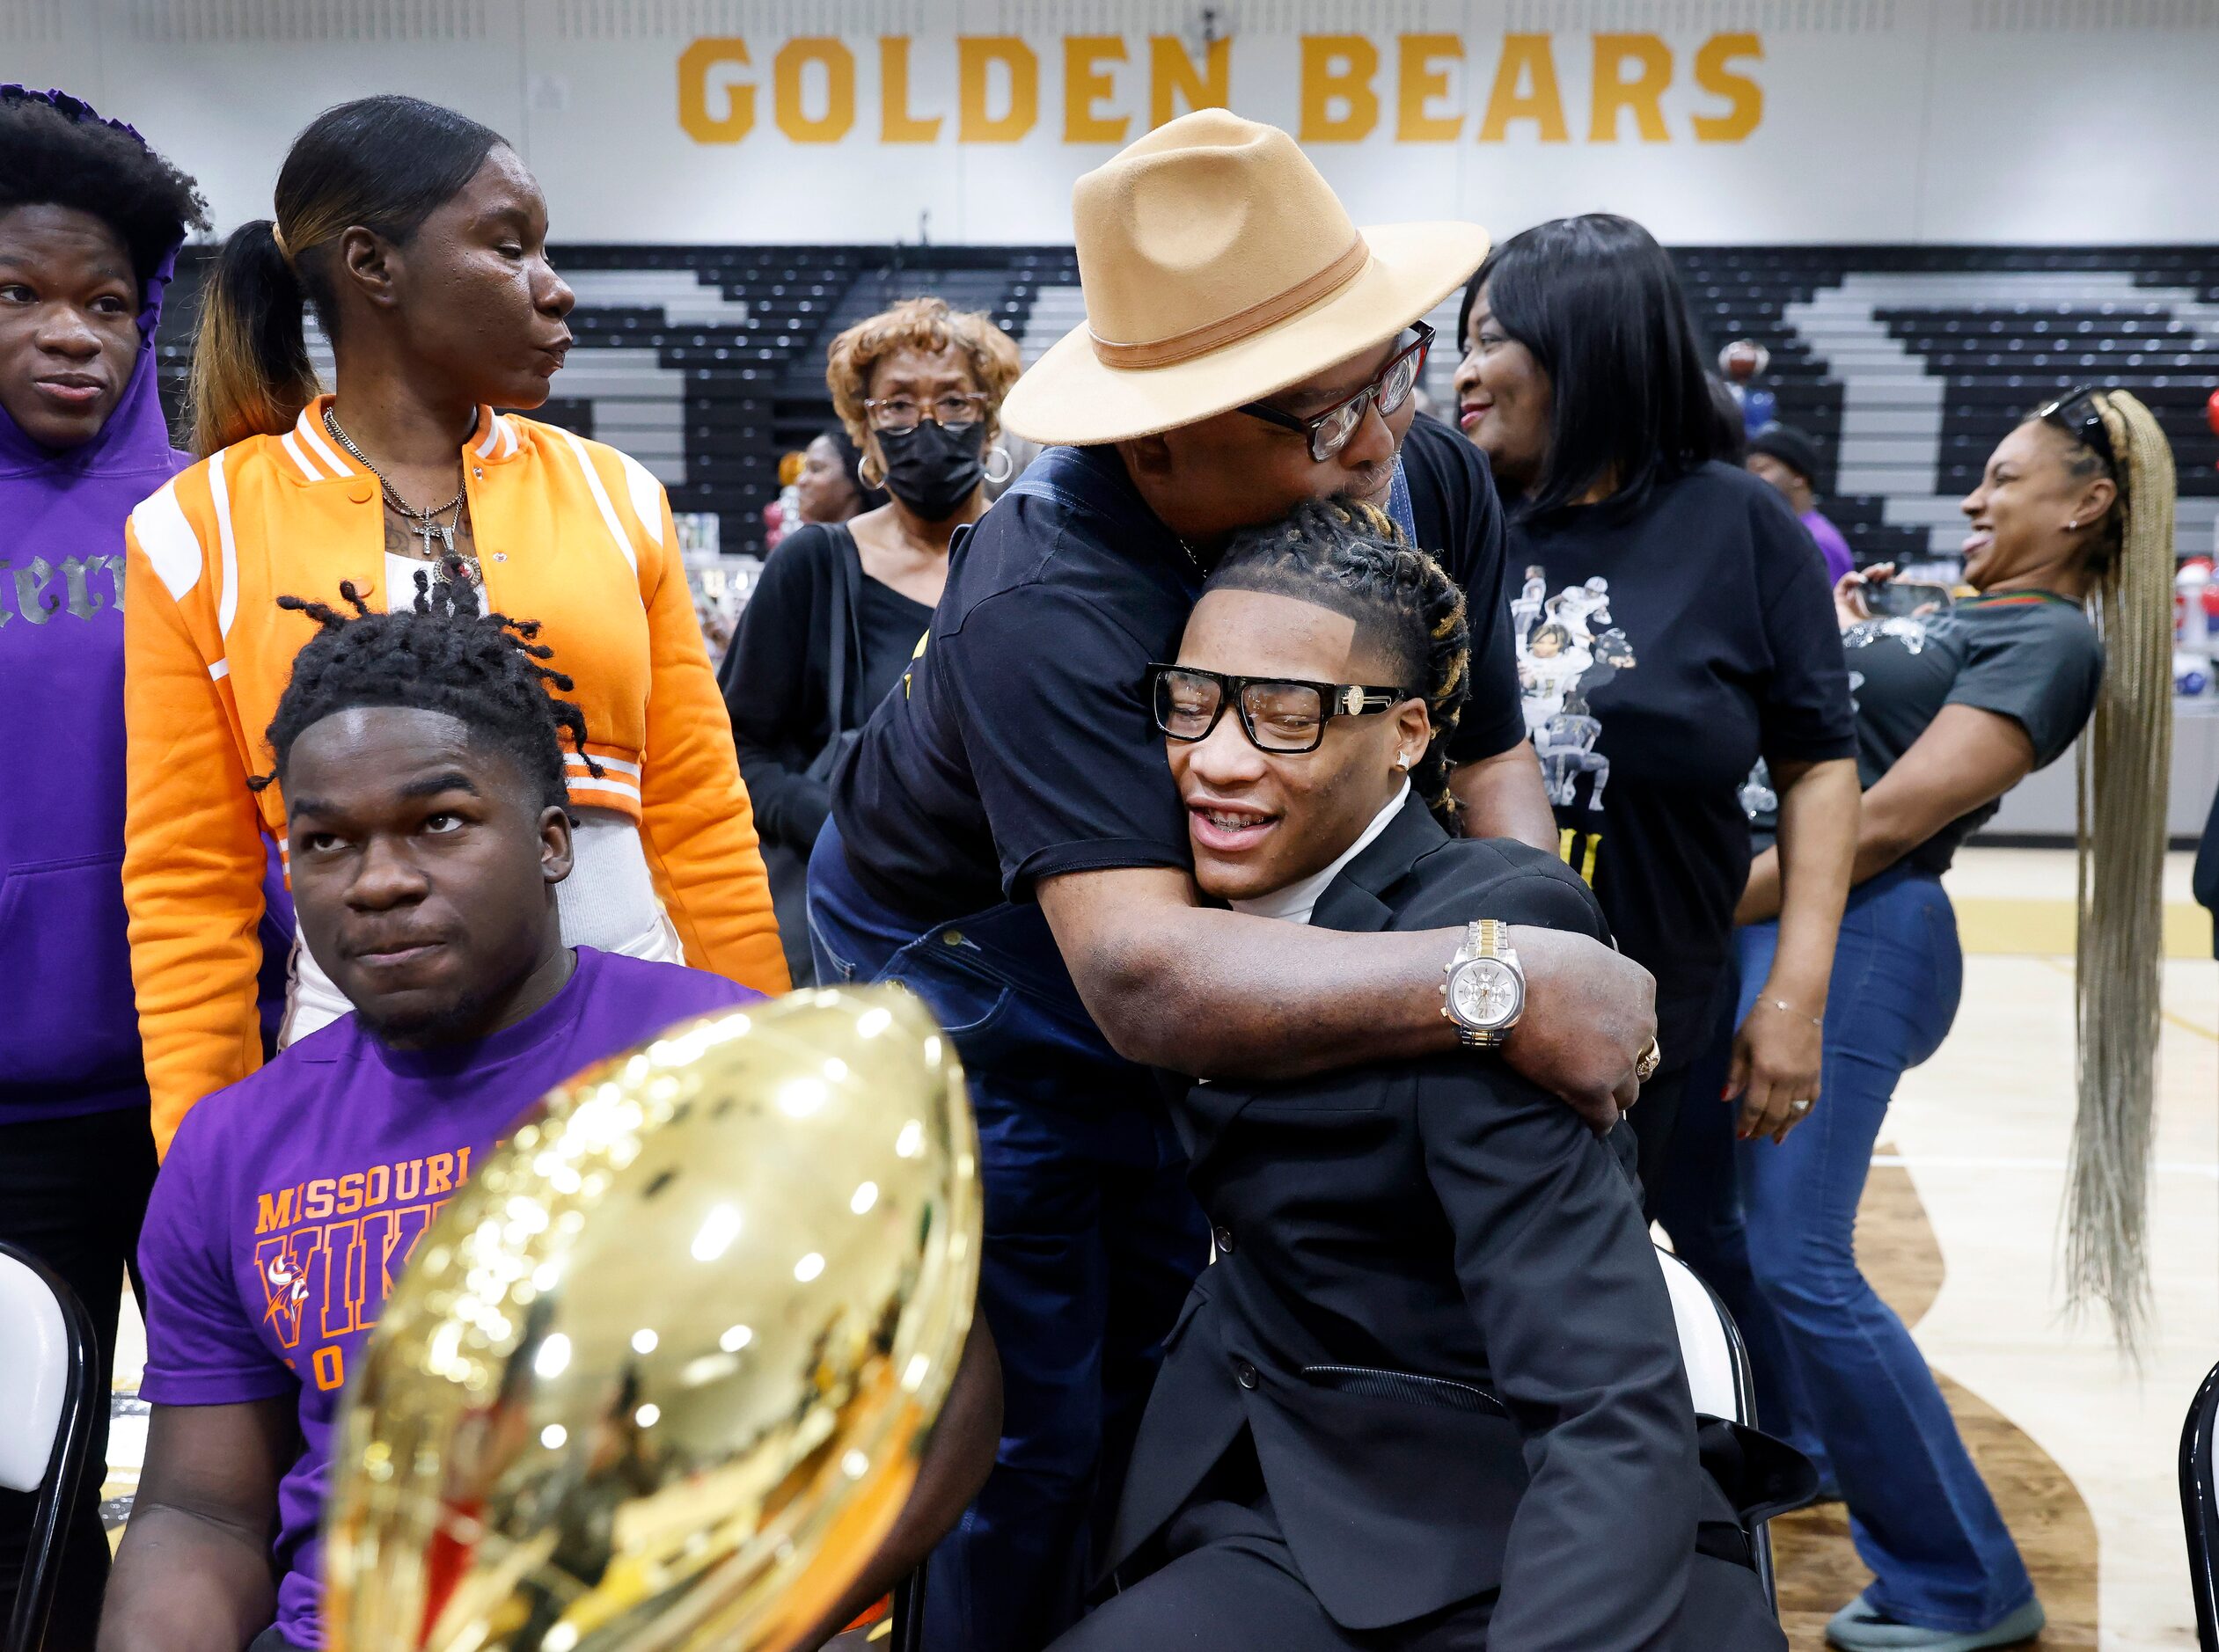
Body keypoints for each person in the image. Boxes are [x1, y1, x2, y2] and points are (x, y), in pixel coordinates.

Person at [810, 111, 1658, 1652]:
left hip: (1222, 947)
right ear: (1159, 439)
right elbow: (1143, 979)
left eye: (1386, 376)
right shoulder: (1047, 601)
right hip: (994, 986)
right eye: (1325, 420)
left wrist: (1539, 929)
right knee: (1031, 1429)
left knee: (1183, 1362)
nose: (1379, 445)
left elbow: (1487, 758)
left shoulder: (1407, 467)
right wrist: (1503, 983)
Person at [96, 591, 997, 1652]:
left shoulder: (733, 1070)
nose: (379, 882)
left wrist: (737, 1624)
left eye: (438, 823)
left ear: (553, 841)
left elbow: (943, 1398)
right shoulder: (232, 1148)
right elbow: (202, 1512)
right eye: (326, 841)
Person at [1051, 499, 1792, 1652]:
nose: (1214, 760)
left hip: (1480, 1501)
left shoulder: (1497, 941)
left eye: (1285, 716)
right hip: (1262, 1460)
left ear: (1404, 732)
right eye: (1189, 703)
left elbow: (1599, 1391)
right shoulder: (1158, 906)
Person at [121, 94, 785, 1156]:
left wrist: (767, 1067)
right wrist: (201, 1159)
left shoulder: (618, 495)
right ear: (371, 265)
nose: (554, 288)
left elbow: (702, 820)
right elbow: (189, 885)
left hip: (647, 1041)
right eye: (509, 247)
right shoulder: (195, 527)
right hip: (361, 1062)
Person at [1686, 388, 2176, 1652]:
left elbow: (1889, 820)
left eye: (2006, 478)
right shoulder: (1947, 611)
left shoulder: (2049, 642)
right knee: (1723, 1221)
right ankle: (1800, 1441)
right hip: (1770, 917)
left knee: (1800, 1255)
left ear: (2086, 503)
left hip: (1858, 932)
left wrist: (1672, 903)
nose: (1974, 495)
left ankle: (1962, 1577)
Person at [1453, 214, 1861, 1206]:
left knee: (1651, 1290)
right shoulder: (1452, 511)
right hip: (1449, 1002)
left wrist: (1793, 998)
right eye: (1459, 344)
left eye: (1490, 339)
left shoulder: (1741, 523)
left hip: (1661, 1019)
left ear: (1582, 345)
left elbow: (1819, 768)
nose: (1459, 373)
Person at [0, 84, 209, 1651]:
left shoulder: (208, 521)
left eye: (107, 303)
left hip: (190, 1094)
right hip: (6, 1120)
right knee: (19, 1496)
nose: (74, 333)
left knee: (213, 1475)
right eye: (19, 296)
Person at [721, 300, 1021, 987]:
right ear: (864, 429)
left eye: (953, 401)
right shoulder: (815, 565)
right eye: (896, 406)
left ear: (990, 418)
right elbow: (735, 746)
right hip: (864, 923)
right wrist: (831, 819)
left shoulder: (1031, 559)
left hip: (1010, 930)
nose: (927, 425)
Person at [1747, 422, 1855, 584]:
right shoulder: (1791, 533)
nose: (1749, 478)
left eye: (1761, 469)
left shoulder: (1818, 541)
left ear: (1799, 477)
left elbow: (1827, 608)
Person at [795, 424, 886, 527]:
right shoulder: (805, 540)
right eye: (804, 469)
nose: (800, 480)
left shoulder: (886, 540)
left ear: (858, 476)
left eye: (816, 469)